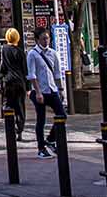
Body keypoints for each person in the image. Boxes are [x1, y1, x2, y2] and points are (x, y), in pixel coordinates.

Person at [26, 27, 66, 159]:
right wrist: (38, 92)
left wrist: (60, 89)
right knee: (41, 120)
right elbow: (32, 75)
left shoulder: (53, 53)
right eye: (43, 38)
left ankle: (50, 139)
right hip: (40, 91)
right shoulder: (32, 54)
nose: (46, 41)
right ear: (37, 40)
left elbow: (57, 73)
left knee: (62, 115)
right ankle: (41, 148)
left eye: (47, 38)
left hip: (52, 89)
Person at [0, 28, 29, 135]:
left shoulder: (3, 50)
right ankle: (20, 128)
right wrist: (28, 87)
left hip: (7, 81)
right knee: (20, 106)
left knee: (7, 104)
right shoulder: (20, 52)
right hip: (20, 82)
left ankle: (10, 126)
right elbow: (25, 70)